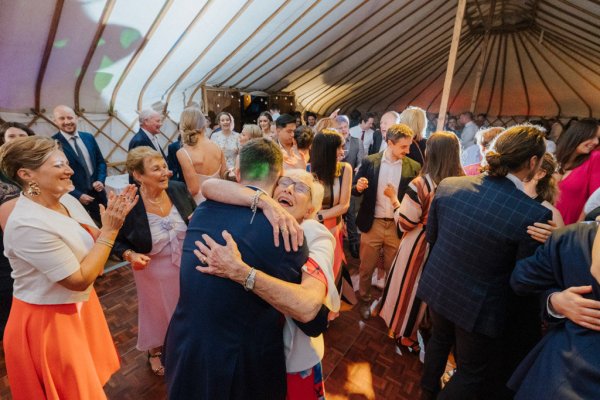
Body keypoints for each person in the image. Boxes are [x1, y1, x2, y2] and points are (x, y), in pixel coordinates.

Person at [164, 138, 313, 399]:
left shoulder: (202, 211)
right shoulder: (286, 234)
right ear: (278, 177)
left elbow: (209, 186)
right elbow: (306, 312)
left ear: (238, 171)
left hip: (185, 343)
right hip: (239, 363)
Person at [417, 125, 552, 400]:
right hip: (479, 309)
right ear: (532, 163)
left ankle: (426, 393)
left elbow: (432, 237)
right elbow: (521, 281)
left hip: (439, 287)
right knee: (471, 373)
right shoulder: (532, 213)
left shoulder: (450, 185)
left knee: (439, 342)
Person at [0, 136, 137, 400]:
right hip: (48, 321)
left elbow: (94, 242)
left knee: (88, 384)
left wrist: (122, 245)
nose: (70, 170)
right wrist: (111, 229)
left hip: (80, 307)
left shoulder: (66, 201)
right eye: (59, 165)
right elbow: (78, 279)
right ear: (27, 174)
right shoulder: (26, 223)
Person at [198, 169, 339, 399]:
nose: (289, 189)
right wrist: (262, 201)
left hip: (293, 359)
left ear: (311, 210)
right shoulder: (262, 221)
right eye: (284, 183)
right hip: (256, 357)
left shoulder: (314, 233)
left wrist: (241, 272)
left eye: (301, 188)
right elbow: (209, 186)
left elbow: (307, 306)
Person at [113, 146, 196, 376]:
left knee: (187, 310)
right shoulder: (128, 203)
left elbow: (196, 217)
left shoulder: (178, 189)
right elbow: (114, 242)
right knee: (157, 312)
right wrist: (130, 255)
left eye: (165, 167)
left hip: (186, 266)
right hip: (152, 270)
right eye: (156, 169)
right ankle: (155, 351)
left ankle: (186, 348)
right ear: (138, 175)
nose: (165, 173)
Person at [378, 132, 464, 352]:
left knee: (409, 287)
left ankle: (404, 334)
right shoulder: (463, 183)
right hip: (445, 244)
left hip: (420, 243)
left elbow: (405, 223)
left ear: (430, 153)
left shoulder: (421, 184)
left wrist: (395, 202)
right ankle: (423, 327)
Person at [509, 220, 600, 399]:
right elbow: (522, 280)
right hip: (559, 374)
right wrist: (555, 301)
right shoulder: (571, 238)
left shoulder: (571, 236)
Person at [352, 124, 421, 320]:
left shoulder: (413, 167)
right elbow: (355, 189)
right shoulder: (369, 161)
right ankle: (364, 301)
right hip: (372, 223)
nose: (408, 151)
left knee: (393, 270)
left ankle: (386, 303)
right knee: (366, 269)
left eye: (409, 146)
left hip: (396, 227)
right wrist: (359, 186)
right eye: (404, 147)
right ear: (390, 143)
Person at [51, 105, 108, 223]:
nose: (67, 122)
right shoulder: (52, 143)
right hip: (74, 197)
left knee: (108, 222)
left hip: (98, 193)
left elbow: (100, 162)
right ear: (55, 121)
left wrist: (100, 180)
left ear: (76, 118)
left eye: (70, 117)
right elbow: (55, 176)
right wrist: (77, 195)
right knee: (87, 229)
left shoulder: (88, 137)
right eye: (62, 118)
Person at [310, 129, 352, 279]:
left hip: (333, 227)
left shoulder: (345, 169)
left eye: (342, 146)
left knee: (333, 268)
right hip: (312, 229)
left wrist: (318, 216)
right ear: (326, 150)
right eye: (338, 147)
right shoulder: (308, 170)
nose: (342, 151)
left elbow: (344, 205)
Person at [555, 118, 600, 224]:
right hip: (544, 224)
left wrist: (576, 228)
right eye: (593, 136)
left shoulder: (595, 158)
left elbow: (594, 200)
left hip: (568, 230)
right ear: (579, 134)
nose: (596, 142)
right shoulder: (555, 158)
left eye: (598, 138)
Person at [176, 107, 226, 204]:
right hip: (221, 199)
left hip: (201, 204)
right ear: (203, 123)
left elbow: (193, 189)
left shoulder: (183, 152)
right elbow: (224, 175)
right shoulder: (216, 146)